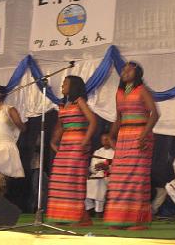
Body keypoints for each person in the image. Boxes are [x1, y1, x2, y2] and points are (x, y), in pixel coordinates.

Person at [104, 61, 159, 230]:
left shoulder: (142, 90)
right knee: (120, 179)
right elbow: (119, 118)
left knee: (136, 179)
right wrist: (110, 135)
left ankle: (139, 221)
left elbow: (155, 114)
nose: (125, 71)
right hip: (124, 138)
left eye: (130, 69)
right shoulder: (119, 92)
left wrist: (143, 135)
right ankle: (120, 219)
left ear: (138, 74)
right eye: (124, 69)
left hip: (140, 136)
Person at [47, 75, 97, 226]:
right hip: (65, 144)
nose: (62, 85)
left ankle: (78, 217)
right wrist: (53, 142)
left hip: (77, 143)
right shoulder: (63, 105)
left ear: (74, 86)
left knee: (73, 180)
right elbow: (61, 126)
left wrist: (85, 142)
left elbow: (93, 121)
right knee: (60, 181)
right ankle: (64, 216)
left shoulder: (79, 101)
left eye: (66, 83)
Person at [85, 133, 115, 218]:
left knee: (100, 183)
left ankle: (99, 210)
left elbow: (117, 167)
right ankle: (89, 208)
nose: (105, 141)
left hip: (110, 177)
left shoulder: (115, 152)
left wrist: (107, 167)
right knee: (84, 184)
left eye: (107, 139)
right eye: (104, 140)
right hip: (97, 175)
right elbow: (92, 169)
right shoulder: (97, 152)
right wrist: (96, 168)